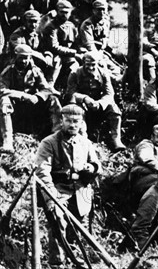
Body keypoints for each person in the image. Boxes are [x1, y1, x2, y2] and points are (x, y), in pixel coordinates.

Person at [35, 104, 101, 269]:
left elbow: (97, 165)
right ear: (61, 121)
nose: (72, 125)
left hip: (81, 190)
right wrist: (52, 197)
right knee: (57, 218)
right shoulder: (49, 143)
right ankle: (56, 262)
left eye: (76, 121)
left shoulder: (86, 143)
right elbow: (42, 172)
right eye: (69, 121)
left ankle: (76, 258)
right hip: (58, 189)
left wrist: (91, 168)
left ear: (81, 123)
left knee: (81, 223)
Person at [0, 44, 61, 152]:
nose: (24, 61)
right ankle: (7, 140)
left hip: (33, 106)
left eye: (27, 58)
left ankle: (58, 137)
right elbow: (2, 90)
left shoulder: (35, 71)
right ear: (15, 57)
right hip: (16, 107)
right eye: (21, 58)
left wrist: (37, 97)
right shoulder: (9, 71)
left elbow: (47, 89)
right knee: (4, 101)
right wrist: (24, 96)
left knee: (53, 100)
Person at [66, 51, 125, 151]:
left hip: (98, 104)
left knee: (114, 109)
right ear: (83, 63)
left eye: (93, 65)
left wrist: (100, 103)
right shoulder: (75, 73)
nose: (91, 68)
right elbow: (71, 93)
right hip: (82, 104)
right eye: (88, 65)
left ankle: (116, 139)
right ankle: (82, 139)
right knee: (77, 112)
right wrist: (84, 99)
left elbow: (109, 93)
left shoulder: (103, 73)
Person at [40, 0, 81, 87]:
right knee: (56, 62)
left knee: (75, 65)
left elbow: (77, 42)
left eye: (66, 12)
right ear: (57, 11)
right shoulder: (51, 26)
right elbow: (54, 47)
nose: (64, 15)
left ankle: (70, 88)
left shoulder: (71, 25)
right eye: (61, 12)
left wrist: (80, 51)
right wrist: (74, 53)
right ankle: (49, 86)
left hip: (67, 54)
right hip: (53, 53)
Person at [129, 124, 158, 206]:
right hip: (139, 180)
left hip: (152, 182)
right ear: (152, 137)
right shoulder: (146, 145)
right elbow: (146, 158)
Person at [8, 10, 53, 74]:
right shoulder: (17, 35)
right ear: (25, 22)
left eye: (36, 22)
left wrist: (48, 55)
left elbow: (45, 47)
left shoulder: (38, 33)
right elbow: (21, 51)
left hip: (33, 60)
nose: (33, 25)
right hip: (19, 62)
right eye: (30, 22)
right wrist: (40, 56)